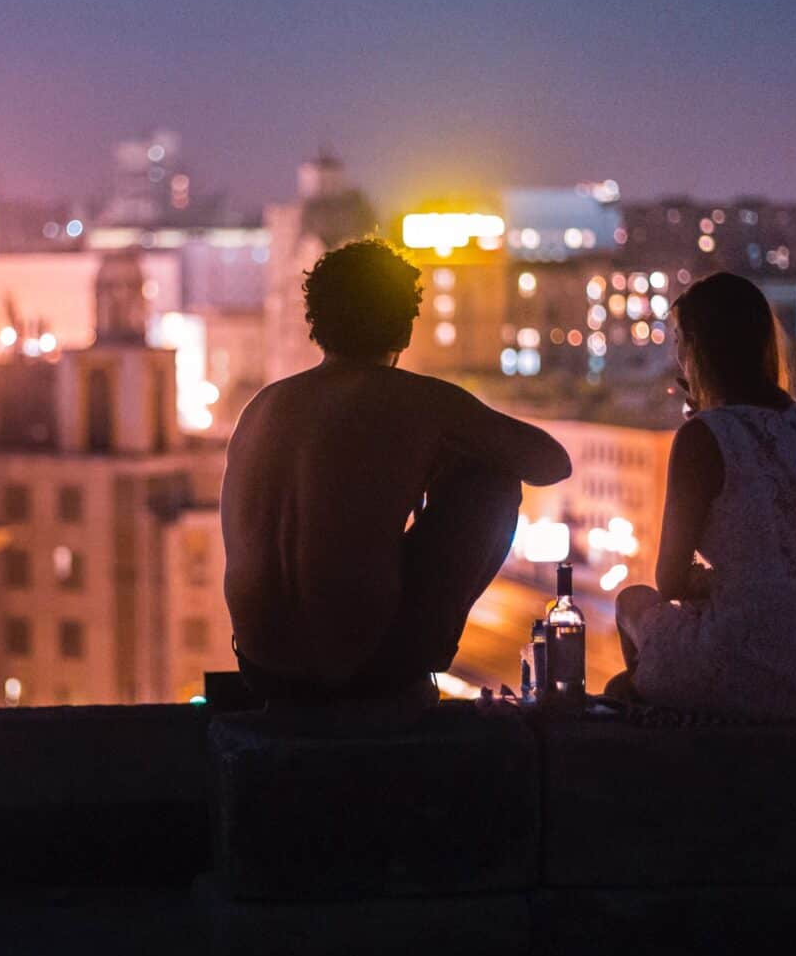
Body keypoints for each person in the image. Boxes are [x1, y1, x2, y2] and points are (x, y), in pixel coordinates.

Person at [222, 238, 571, 705]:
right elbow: (550, 463)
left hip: (262, 673)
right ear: (405, 330)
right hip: (364, 675)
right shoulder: (419, 401)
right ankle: (416, 675)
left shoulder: (261, 406)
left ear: (315, 325)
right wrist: (450, 453)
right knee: (492, 480)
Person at [613, 272, 796, 718]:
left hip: (744, 664)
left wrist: (726, 582)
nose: (678, 356)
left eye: (681, 340)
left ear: (698, 348)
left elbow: (670, 580)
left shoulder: (702, 437)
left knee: (631, 602)